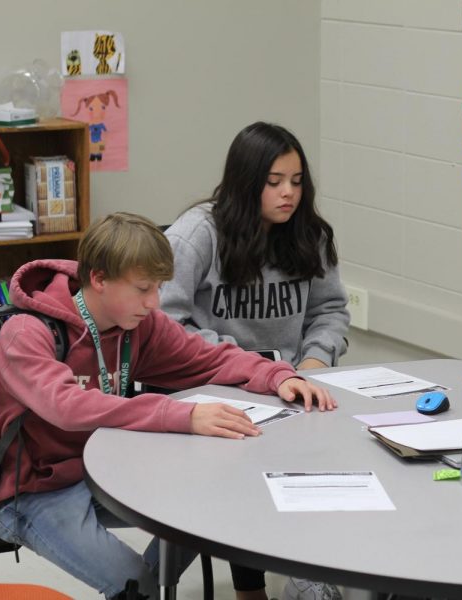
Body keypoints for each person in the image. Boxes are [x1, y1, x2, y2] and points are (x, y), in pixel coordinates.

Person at [0, 213, 336, 600]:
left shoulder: (138, 325)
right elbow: (67, 406)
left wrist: (279, 375)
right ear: (98, 279)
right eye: (144, 289)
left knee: (213, 509)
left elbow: (210, 359)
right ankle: (142, 589)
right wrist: (178, 414)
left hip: (99, 469)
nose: (154, 302)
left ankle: (143, 588)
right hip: (28, 491)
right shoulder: (26, 332)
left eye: (159, 288)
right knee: (138, 585)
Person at [159, 122, 348, 600]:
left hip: (292, 387)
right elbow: (164, 320)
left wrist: (314, 362)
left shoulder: (310, 235)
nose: (289, 193)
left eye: (297, 180)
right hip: (218, 388)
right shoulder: (199, 233)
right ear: (247, 182)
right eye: (275, 181)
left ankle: (312, 576)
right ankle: (250, 586)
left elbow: (330, 311)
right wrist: (237, 363)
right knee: (247, 466)